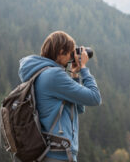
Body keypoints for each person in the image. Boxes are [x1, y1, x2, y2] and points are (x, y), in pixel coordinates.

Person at [18, 31, 102, 162]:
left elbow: (79, 109)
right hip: (57, 155)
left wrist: (74, 75)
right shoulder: (53, 75)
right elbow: (95, 98)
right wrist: (84, 69)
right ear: (61, 51)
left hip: (48, 152)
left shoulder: (41, 73)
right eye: (70, 53)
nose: (71, 57)